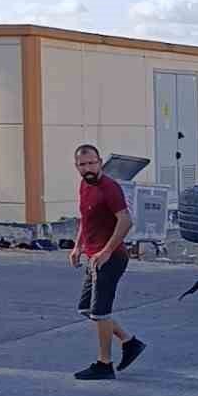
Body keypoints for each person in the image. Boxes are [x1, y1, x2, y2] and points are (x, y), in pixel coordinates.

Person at [70, 144, 145, 381]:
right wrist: (77, 246)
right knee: (86, 309)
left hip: (111, 258)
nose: (88, 168)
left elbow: (125, 221)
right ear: (77, 167)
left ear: (100, 162)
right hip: (94, 257)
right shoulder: (85, 185)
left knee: (100, 313)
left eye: (92, 163)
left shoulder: (109, 188)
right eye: (83, 165)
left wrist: (106, 251)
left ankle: (104, 364)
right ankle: (129, 342)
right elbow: (85, 218)